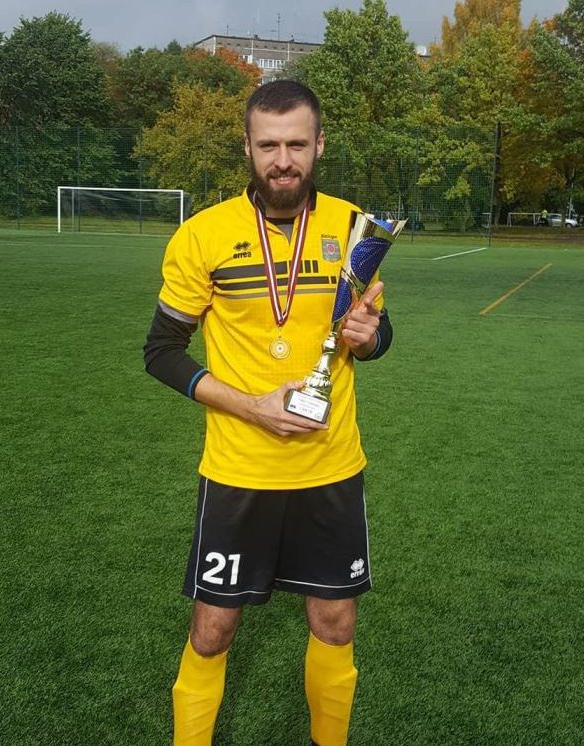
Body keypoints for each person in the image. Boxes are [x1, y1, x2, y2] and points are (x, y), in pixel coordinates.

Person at [143, 80, 393, 746]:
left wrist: (370, 337)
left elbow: (375, 334)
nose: (284, 161)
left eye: (297, 145)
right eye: (269, 145)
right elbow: (161, 352)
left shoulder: (354, 227)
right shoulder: (204, 235)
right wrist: (252, 407)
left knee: (335, 623)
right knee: (213, 628)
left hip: (330, 467)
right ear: (248, 147)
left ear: (320, 145)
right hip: (239, 471)